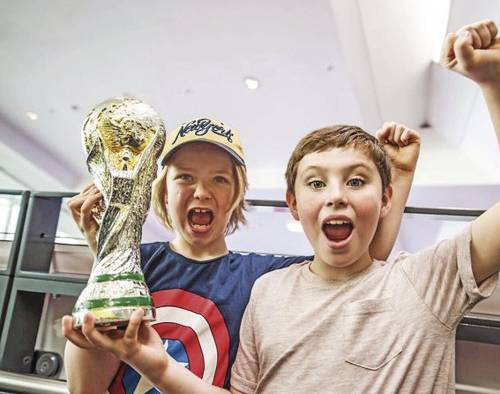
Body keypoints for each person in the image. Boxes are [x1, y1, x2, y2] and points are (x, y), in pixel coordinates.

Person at [71, 19, 500, 393]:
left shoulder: (426, 280)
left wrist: (499, 81)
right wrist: (149, 358)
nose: (336, 195)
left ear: (384, 198)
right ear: (293, 205)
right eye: (316, 183)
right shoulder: (269, 293)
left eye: (356, 180)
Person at [62, 114, 420, 393]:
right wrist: (109, 254)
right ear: (163, 191)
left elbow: (362, 256)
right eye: (185, 177)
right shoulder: (136, 262)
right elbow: (85, 388)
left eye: (219, 179)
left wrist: (399, 176)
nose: (201, 191)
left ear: (236, 196)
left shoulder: (261, 278)